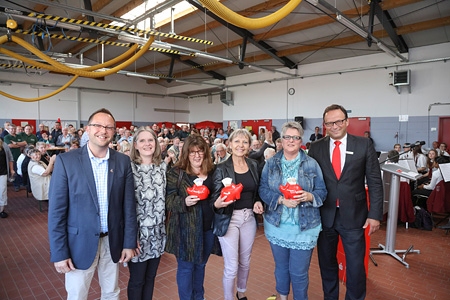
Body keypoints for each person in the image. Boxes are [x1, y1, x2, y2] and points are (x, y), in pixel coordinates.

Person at [48, 108, 137, 300]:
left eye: (108, 127)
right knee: (77, 295)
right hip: (78, 245)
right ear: (87, 129)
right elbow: (56, 212)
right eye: (98, 125)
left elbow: (129, 207)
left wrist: (129, 243)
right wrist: (59, 253)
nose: (103, 131)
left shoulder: (122, 162)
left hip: (111, 242)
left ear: (114, 132)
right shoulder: (66, 162)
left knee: (112, 293)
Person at [308, 104, 383, 300]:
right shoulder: (315, 148)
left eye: (339, 121)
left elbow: (375, 181)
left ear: (347, 121)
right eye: (330, 123)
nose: (335, 126)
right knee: (327, 264)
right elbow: (310, 180)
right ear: (324, 125)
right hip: (324, 216)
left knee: (356, 266)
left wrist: (375, 214)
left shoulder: (364, 145)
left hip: (355, 216)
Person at [259, 121, 327, 300]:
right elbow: (263, 190)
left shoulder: (312, 164)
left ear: (301, 140)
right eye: (287, 137)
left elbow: (322, 191)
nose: (291, 141)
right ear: (281, 139)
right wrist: (280, 200)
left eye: (295, 137)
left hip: (304, 228)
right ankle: (282, 298)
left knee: (298, 273)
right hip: (277, 225)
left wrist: (309, 196)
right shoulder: (271, 163)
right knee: (281, 268)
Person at [211, 129, 264, 300]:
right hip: (229, 218)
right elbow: (214, 198)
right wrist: (217, 203)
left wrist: (257, 202)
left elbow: (257, 192)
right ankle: (228, 298)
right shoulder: (220, 168)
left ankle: (241, 293)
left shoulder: (254, 165)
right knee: (232, 266)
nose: (241, 145)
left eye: (245, 142)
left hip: (249, 218)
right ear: (229, 144)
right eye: (237, 141)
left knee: (245, 262)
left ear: (249, 145)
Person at [166, 134, 218, 300]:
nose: (196, 155)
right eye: (192, 152)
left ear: (205, 153)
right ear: (186, 154)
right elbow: (168, 200)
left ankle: (199, 297)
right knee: (186, 268)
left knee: (201, 266)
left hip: (207, 228)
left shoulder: (212, 171)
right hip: (184, 230)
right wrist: (184, 201)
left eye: (200, 151)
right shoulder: (177, 173)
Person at [127, 126, 167, 300]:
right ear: (135, 145)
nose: (147, 144)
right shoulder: (129, 169)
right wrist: (129, 238)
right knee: (137, 280)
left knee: (151, 277)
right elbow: (124, 206)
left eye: (150, 140)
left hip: (157, 234)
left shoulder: (162, 168)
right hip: (138, 235)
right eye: (142, 140)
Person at [0, 138, 14, 218]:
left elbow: (10, 158)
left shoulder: (4, 145)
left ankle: (2, 210)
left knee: (2, 191)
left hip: (3, 172)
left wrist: (11, 169)